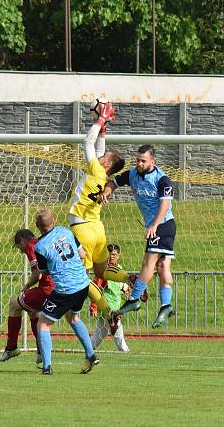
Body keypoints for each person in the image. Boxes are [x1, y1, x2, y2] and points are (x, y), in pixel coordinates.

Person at [68, 99, 130, 325]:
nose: (99, 157)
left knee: (83, 279)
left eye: (103, 158)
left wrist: (101, 119)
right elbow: (99, 148)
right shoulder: (105, 177)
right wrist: (104, 129)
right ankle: (128, 278)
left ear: (105, 165)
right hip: (97, 228)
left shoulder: (96, 169)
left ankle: (106, 310)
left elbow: (88, 142)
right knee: (103, 273)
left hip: (82, 228)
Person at [103, 144, 177, 328]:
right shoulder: (132, 174)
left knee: (148, 263)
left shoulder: (162, 180)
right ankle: (166, 306)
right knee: (162, 266)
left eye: (143, 161)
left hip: (162, 225)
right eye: (137, 160)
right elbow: (115, 181)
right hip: (158, 226)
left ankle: (134, 299)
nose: (139, 163)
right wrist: (108, 189)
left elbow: (165, 205)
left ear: (153, 161)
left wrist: (154, 225)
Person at [33, 209, 99, 375]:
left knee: (43, 323)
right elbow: (82, 254)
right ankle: (90, 355)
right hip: (83, 284)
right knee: (73, 317)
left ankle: (47, 367)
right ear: (53, 221)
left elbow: (44, 272)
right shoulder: (65, 231)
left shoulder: (40, 246)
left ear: (38, 227)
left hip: (65, 289)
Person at [0, 228, 55, 365]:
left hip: (47, 290)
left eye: (20, 248)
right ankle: (41, 352)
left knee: (13, 305)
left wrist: (26, 286)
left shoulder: (31, 245)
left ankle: (11, 347)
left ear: (23, 241)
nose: (22, 251)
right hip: (59, 289)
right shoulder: (44, 241)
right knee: (31, 309)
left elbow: (37, 274)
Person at [91, 244, 130, 352]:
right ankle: (124, 351)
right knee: (117, 329)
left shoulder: (119, 269)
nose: (112, 256)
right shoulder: (104, 270)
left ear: (118, 255)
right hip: (107, 305)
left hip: (115, 304)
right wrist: (93, 306)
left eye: (114, 254)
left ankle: (89, 349)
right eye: (110, 254)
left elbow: (116, 289)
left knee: (101, 332)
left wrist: (124, 289)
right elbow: (96, 287)